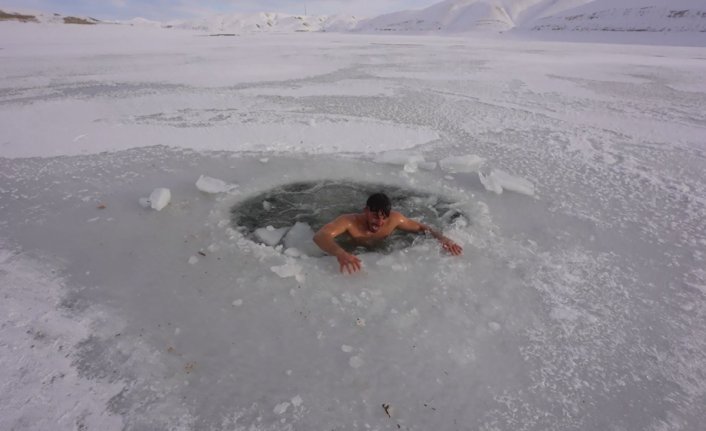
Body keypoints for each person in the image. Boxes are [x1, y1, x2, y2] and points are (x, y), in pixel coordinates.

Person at [313, 192, 463, 274]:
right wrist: (341, 253)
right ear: (366, 211)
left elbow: (421, 228)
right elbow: (320, 236)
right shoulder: (348, 221)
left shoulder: (395, 219)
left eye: (384, 217)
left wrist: (443, 238)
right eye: (375, 216)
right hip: (353, 250)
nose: (379, 222)